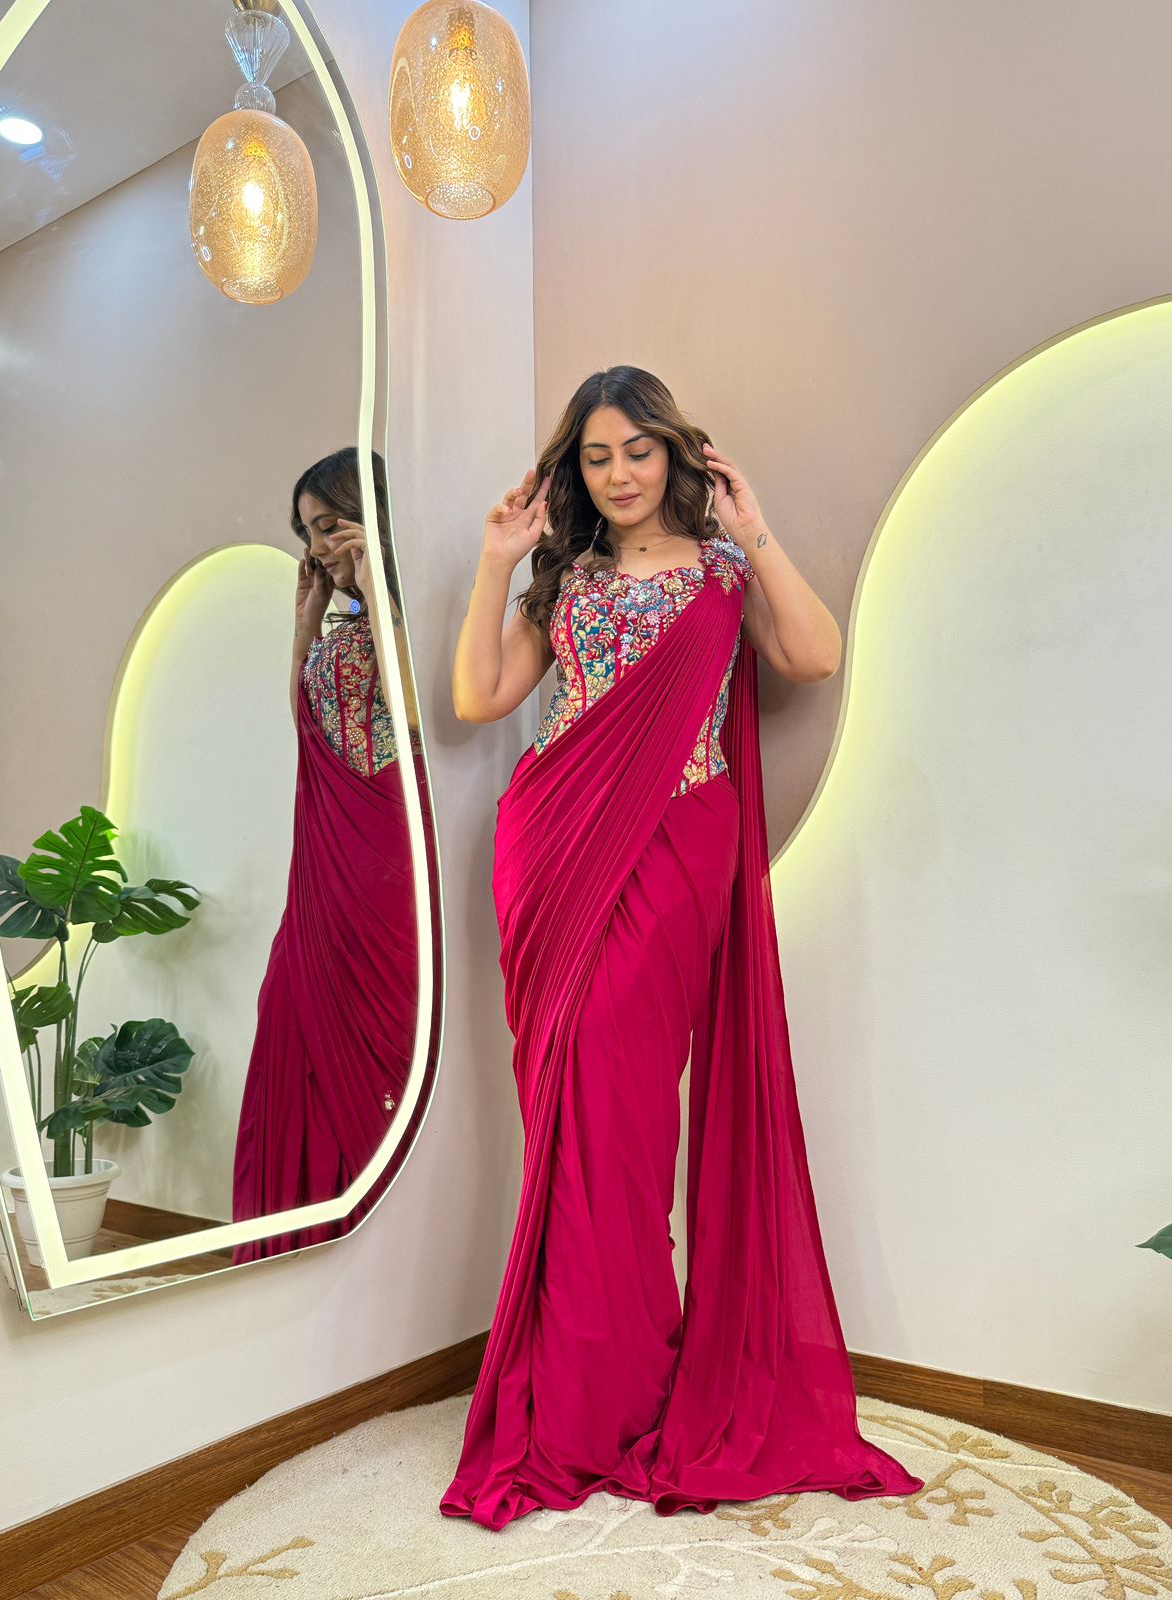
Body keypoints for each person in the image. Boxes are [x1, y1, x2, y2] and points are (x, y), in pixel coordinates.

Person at [442, 366, 924, 1527]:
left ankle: (627, 1377)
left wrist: (756, 532)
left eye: (636, 453)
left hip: (675, 846)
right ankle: (580, 1392)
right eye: (596, 457)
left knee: (627, 1111)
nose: (616, 475)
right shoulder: (563, 575)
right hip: (549, 846)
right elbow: (479, 696)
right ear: (577, 469)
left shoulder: (718, 570)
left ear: (675, 456)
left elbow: (810, 656)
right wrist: (497, 562)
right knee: (566, 1114)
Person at [231, 448, 419, 1264]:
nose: (322, 549)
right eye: (309, 536)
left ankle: (376, 1253)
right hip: (322, 862)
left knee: (384, 1039)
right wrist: (306, 623)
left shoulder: (416, 612)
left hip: (386, 858)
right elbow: (308, 725)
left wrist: (376, 587)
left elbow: (414, 722)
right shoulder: (339, 623)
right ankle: (295, 1242)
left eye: (332, 526)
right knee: (289, 1014)